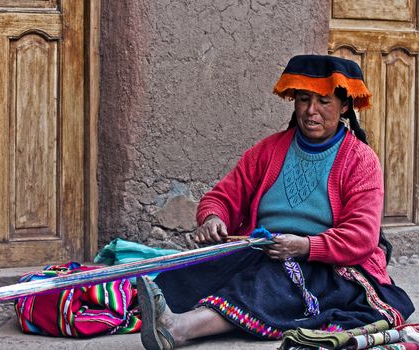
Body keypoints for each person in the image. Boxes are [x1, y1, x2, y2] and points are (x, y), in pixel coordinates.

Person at [136, 55, 415, 350]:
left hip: (325, 264)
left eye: (324, 101)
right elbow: (224, 196)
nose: (311, 111)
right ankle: (172, 315)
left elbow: (362, 237)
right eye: (304, 99)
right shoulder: (270, 149)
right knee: (185, 276)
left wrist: (304, 246)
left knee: (268, 284)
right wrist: (213, 218)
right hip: (262, 248)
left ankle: (179, 330)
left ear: (344, 106)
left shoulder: (360, 161)